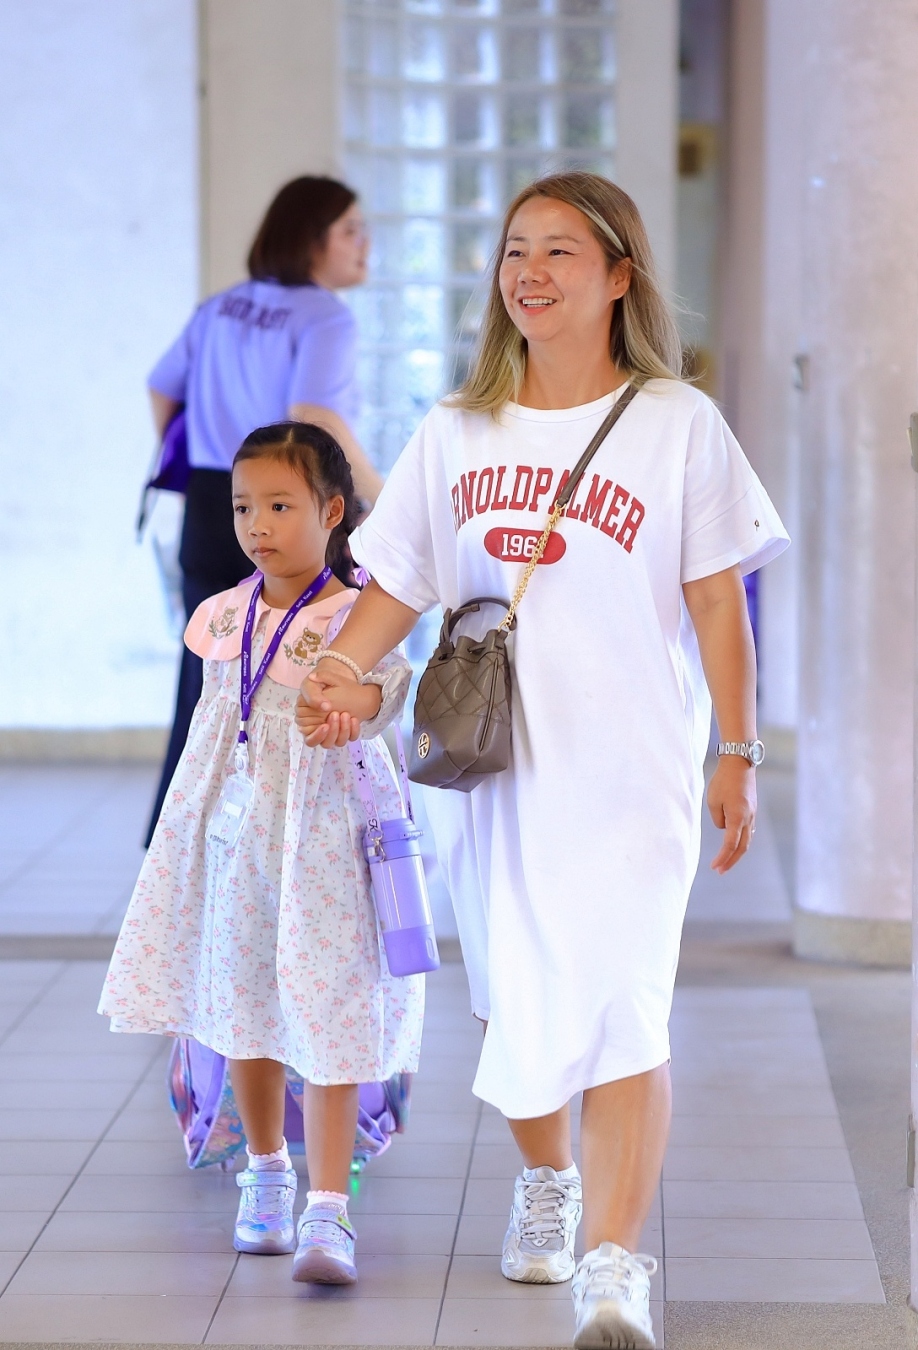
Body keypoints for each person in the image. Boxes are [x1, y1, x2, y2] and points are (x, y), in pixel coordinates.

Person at [295, 172, 789, 1348]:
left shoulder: (677, 423)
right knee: (516, 1001)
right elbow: (399, 583)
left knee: (625, 1006)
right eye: (517, 248)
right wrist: (344, 672)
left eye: (561, 250)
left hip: (632, 775)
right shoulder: (457, 429)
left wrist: (736, 750)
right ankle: (549, 1177)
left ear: (619, 275)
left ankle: (613, 1269)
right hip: (492, 776)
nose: (531, 270)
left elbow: (716, 605)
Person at [100, 422, 421, 1286]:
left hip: (327, 843)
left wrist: (352, 705)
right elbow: (213, 729)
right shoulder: (223, 615)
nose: (257, 525)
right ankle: (267, 1173)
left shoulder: (356, 614)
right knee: (242, 998)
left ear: (332, 511)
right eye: (244, 507)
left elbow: (385, 692)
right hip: (236, 841)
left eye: (280, 505)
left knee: (333, 1006)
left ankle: (330, 1208)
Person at [144, 175, 383, 844]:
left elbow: (161, 390)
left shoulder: (220, 306)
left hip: (214, 501)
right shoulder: (325, 317)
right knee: (303, 670)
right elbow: (314, 414)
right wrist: (378, 498)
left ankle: (181, 835)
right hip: (291, 509)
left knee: (206, 678)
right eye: (350, 230)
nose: (365, 244)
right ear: (311, 238)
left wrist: (215, 473)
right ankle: (280, 835)